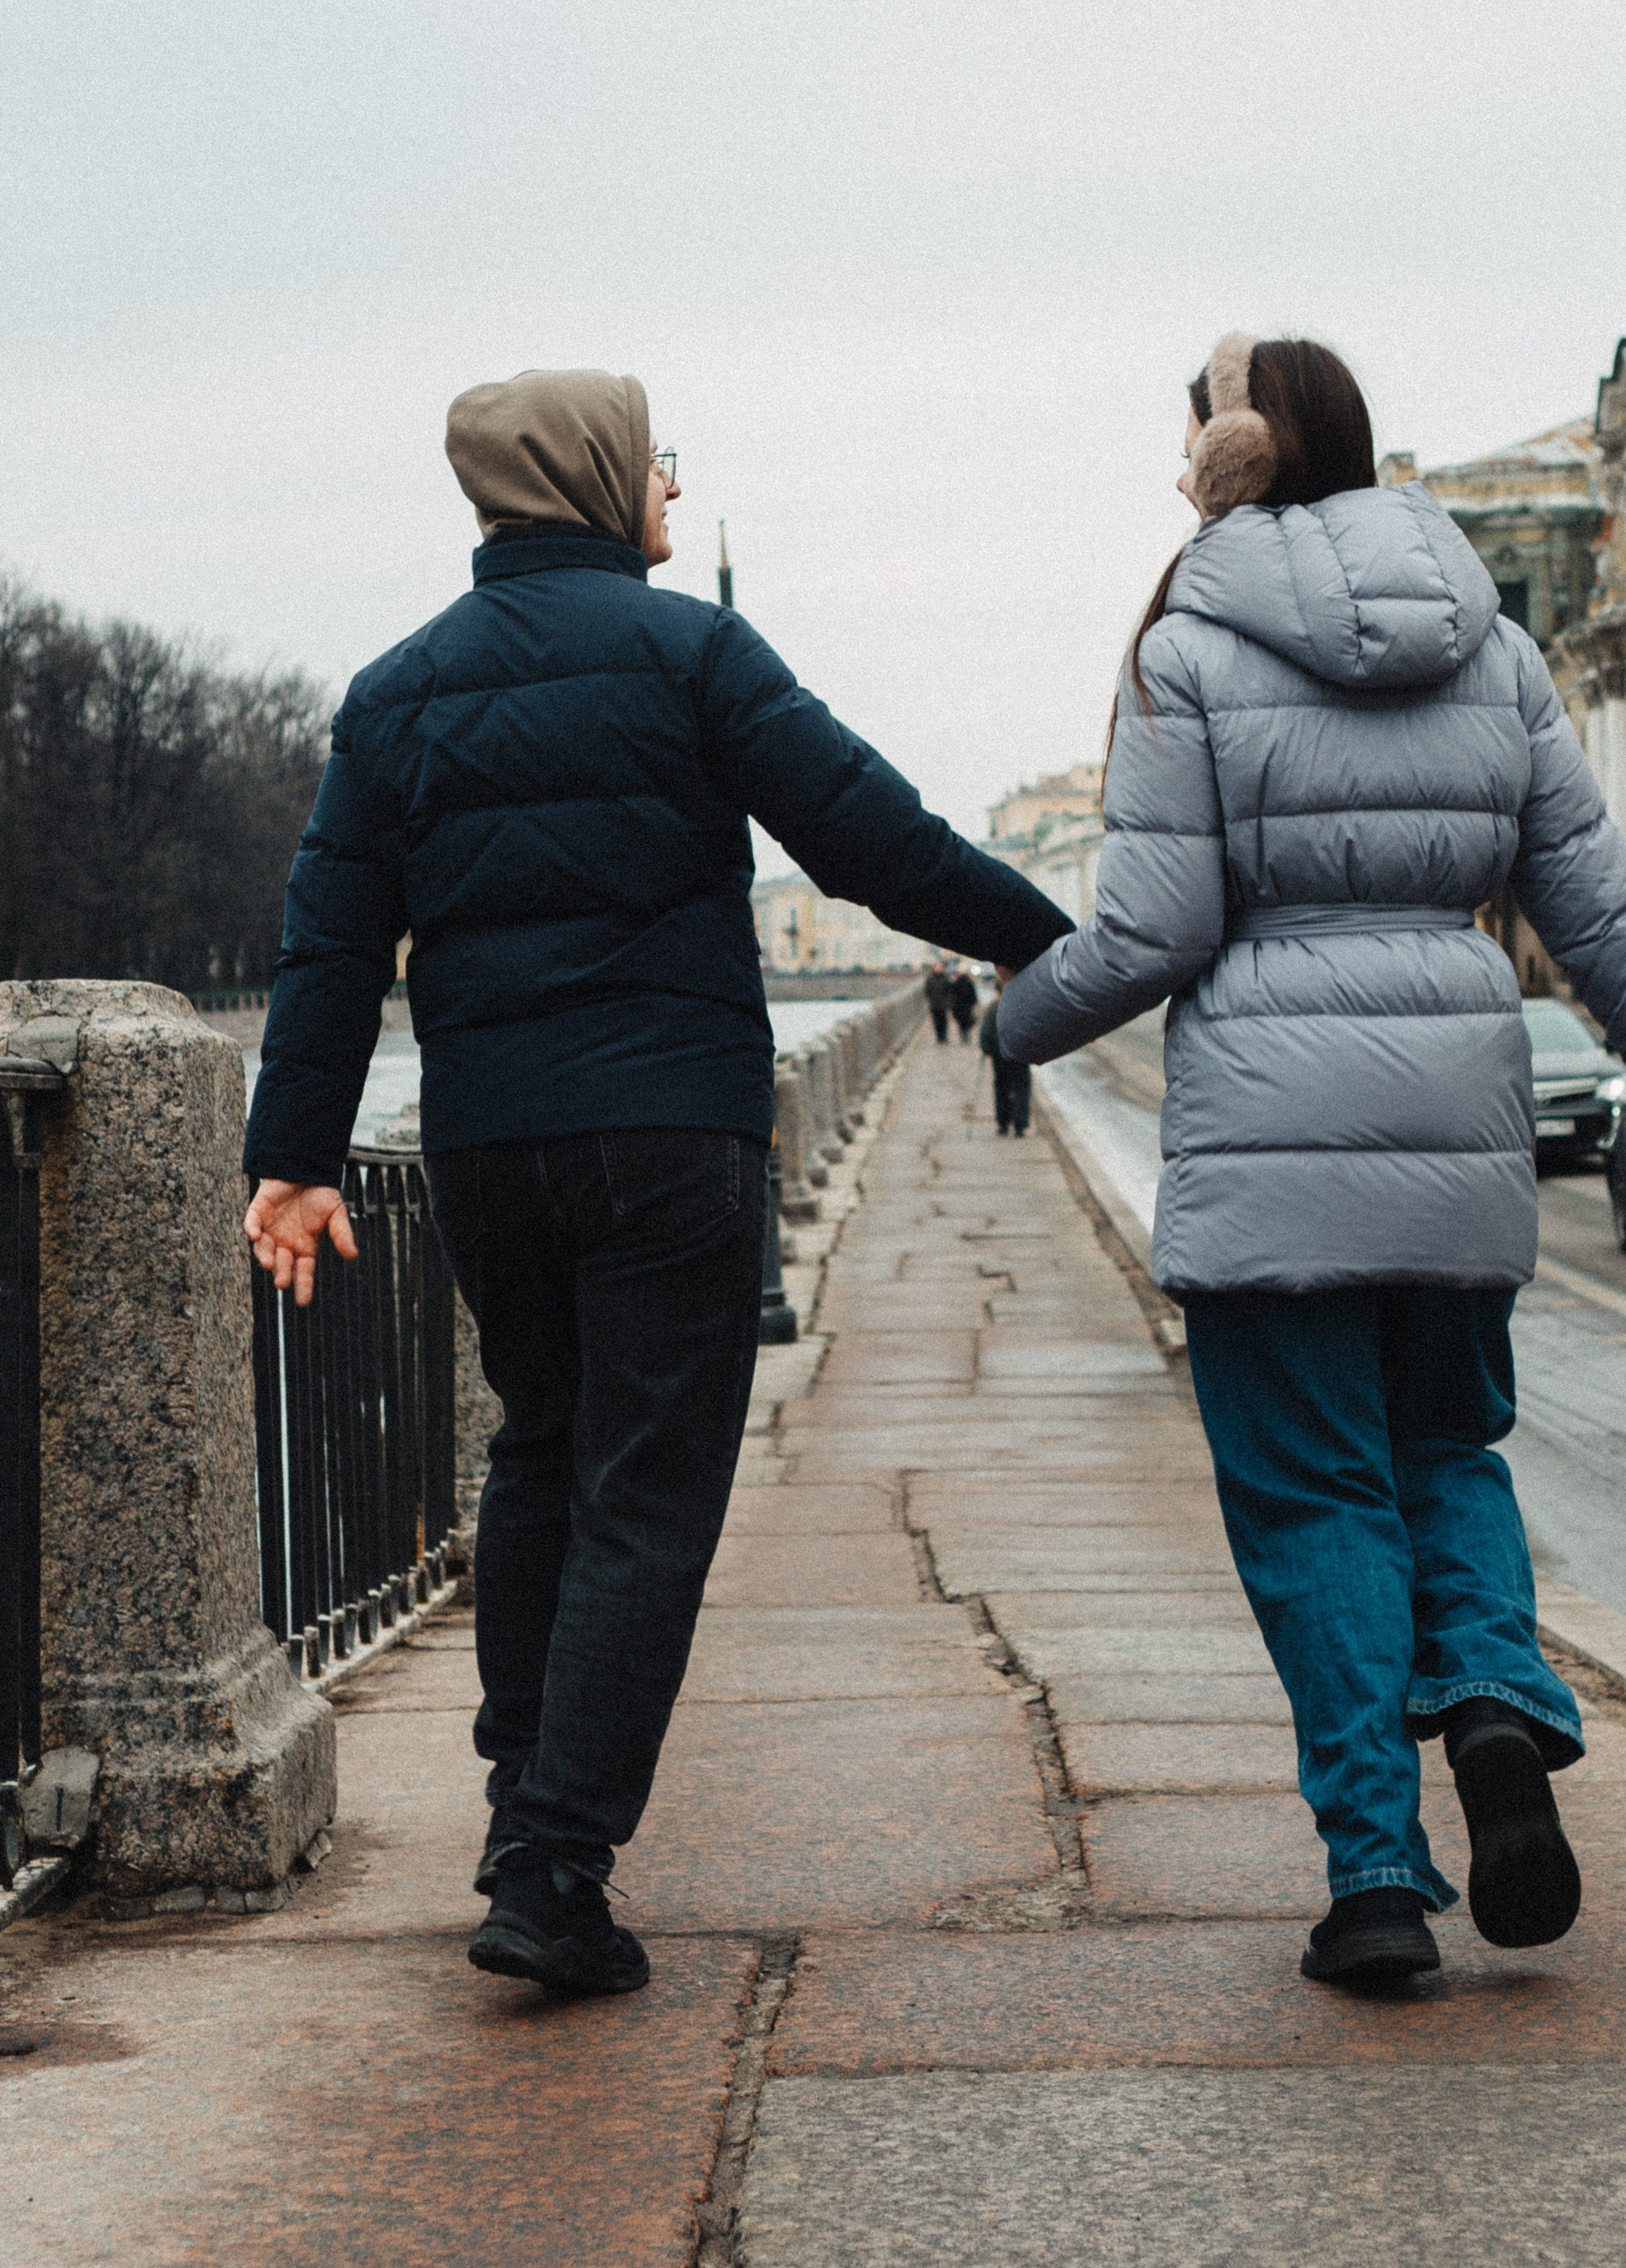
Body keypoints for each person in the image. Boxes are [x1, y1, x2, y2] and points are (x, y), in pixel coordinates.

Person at [242, 368, 1073, 1999]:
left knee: (537, 1457)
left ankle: (514, 1819)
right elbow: (874, 844)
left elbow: (333, 944)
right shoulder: (693, 649)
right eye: (655, 472)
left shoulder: (393, 689)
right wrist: (1067, 940)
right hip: (670, 1133)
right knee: (648, 1488)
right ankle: (556, 1861)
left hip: (485, 1143)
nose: (670, 503)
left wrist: (290, 1157)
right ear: (597, 477)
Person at [997, 332, 1626, 1990]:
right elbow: (1598, 916)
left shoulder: (1188, 642)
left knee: (1310, 1499)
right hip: (1452, 1136)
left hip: (1268, 1152)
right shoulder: (1485, 641)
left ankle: (1370, 1878)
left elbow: (1147, 929)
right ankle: (1489, 1699)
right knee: (1446, 1453)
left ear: (1220, 454)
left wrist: (1009, 1020)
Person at [979, 991, 1031, 1135]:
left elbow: (985, 1032)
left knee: (1002, 1090)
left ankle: (1003, 1125)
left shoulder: (994, 1008)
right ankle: (1020, 1126)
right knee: (1021, 1090)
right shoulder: (1022, 1007)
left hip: (999, 1057)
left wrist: (987, 1050)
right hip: (1020, 1056)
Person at [948, 962, 979, 1043]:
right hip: (965, 1005)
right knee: (966, 1021)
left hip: (959, 1006)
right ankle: (965, 1035)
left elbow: (952, 995)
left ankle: (964, 1035)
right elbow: (973, 994)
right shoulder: (968, 983)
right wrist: (975, 1003)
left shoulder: (956, 983)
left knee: (961, 1022)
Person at [925, 960, 953, 1043]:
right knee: (936, 1022)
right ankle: (939, 1037)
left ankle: (944, 1037)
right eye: (937, 967)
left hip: (943, 1004)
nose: (938, 969)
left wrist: (949, 1002)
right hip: (934, 1004)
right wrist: (930, 1000)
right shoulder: (930, 979)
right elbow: (927, 991)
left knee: (944, 1021)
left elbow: (950, 991)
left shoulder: (946, 978)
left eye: (940, 967)